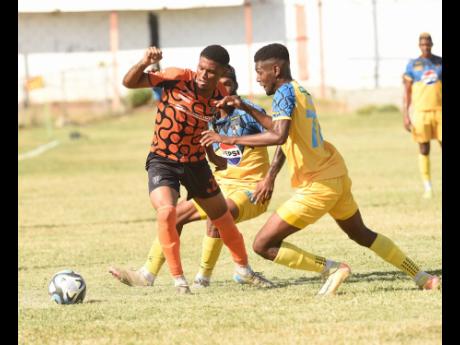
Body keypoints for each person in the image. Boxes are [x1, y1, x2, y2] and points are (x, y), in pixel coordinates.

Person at [201, 43, 440, 295]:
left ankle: (332, 268)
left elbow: (279, 136)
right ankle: (423, 277)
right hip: (335, 173)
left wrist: (228, 139)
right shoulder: (299, 90)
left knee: (263, 244)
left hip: (317, 186)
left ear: (275, 68)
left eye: (260, 72)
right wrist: (246, 107)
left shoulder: (283, 93)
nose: (258, 78)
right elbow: (281, 128)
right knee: (362, 234)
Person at [109, 46, 272, 294]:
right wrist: (144, 62)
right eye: (201, 68)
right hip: (163, 159)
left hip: (195, 163)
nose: (203, 75)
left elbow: (200, 127)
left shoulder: (218, 95)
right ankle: (178, 279)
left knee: (222, 217)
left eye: (210, 72)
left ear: (221, 74)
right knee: (167, 211)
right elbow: (129, 83)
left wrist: (213, 156)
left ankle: (243, 269)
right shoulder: (177, 77)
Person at [403, 32, 442, 199]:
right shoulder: (413, 65)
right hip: (420, 113)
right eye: (423, 44)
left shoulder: (440, 62)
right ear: (419, 46)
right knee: (424, 148)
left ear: (432, 44)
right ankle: (428, 187)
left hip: (440, 111)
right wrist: (406, 114)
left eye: (428, 44)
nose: (426, 47)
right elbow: (407, 92)